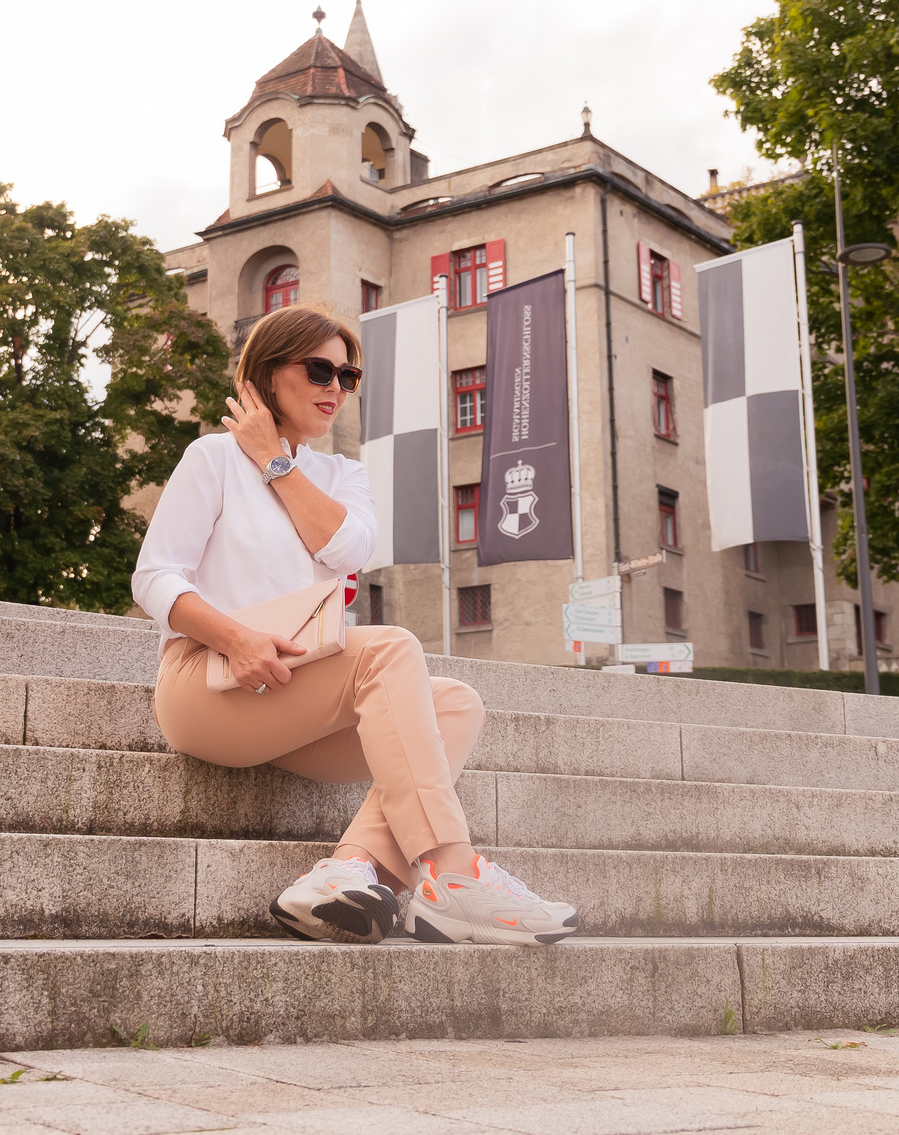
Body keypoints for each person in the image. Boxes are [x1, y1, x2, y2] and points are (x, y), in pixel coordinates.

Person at [132, 302, 580, 946]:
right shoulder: (213, 458)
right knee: (391, 647)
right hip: (207, 684)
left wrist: (277, 463)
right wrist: (236, 638)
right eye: (320, 371)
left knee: (457, 702)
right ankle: (453, 874)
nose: (336, 389)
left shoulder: (343, 475)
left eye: (348, 377)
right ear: (265, 374)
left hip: (294, 692)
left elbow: (347, 549)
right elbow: (155, 578)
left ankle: (346, 873)